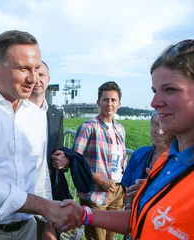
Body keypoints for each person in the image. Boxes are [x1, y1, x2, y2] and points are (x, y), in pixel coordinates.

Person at [60, 39, 194, 240]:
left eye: (170, 90)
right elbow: (141, 220)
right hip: (96, 194)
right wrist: (84, 213)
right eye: (155, 91)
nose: (154, 103)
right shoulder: (167, 162)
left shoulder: (122, 131)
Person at [0, 30, 77, 240]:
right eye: (23, 68)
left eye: (36, 69)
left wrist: (46, 225)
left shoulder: (36, 115)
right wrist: (42, 207)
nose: (33, 78)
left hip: (27, 230)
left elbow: (39, 174)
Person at [72, 81, 127, 240]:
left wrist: (123, 188)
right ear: (98, 102)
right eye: (105, 99)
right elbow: (76, 161)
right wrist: (100, 180)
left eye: (113, 100)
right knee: (97, 237)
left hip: (117, 192)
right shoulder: (89, 126)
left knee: (111, 236)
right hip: (95, 193)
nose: (109, 104)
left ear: (119, 104)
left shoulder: (120, 129)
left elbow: (122, 159)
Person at [29, 61, 68, 239]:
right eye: (34, 75)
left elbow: (59, 150)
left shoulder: (55, 114)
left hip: (48, 188)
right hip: (22, 191)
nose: (37, 80)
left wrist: (65, 161)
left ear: (48, 80)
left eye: (42, 75)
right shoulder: (14, 109)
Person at [121, 111, 175, 200]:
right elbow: (127, 187)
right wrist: (128, 205)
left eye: (165, 124)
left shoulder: (181, 162)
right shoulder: (139, 154)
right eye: (155, 123)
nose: (159, 131)